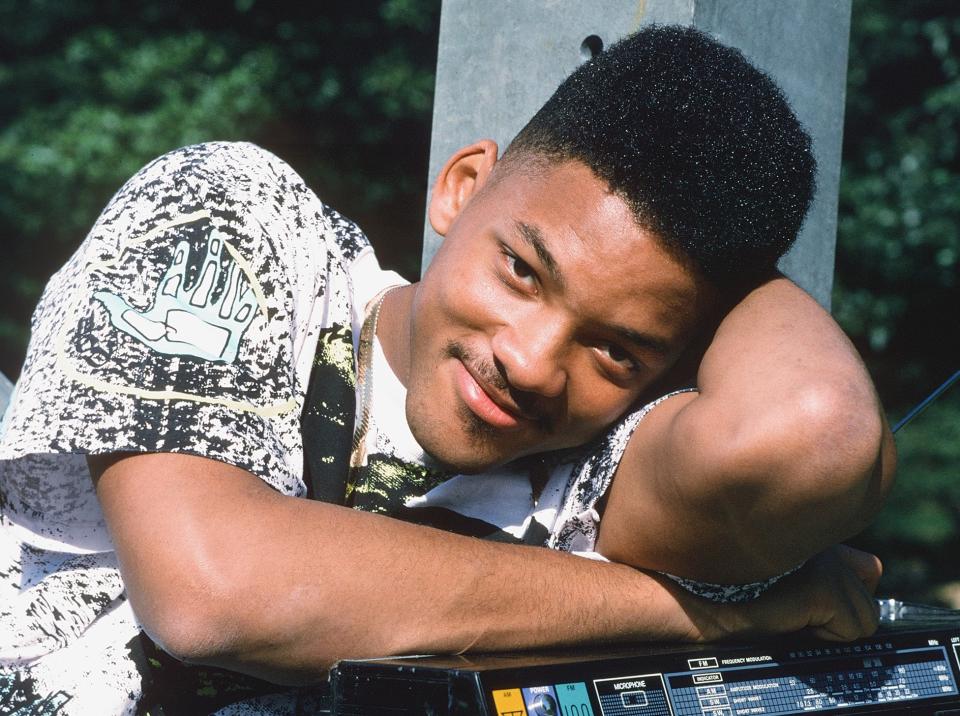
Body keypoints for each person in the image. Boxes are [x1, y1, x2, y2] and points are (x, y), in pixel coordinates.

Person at [0, 25, 893, 715]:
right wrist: (710, 619)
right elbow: (210, 593)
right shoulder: (241, 223)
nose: (531, 362)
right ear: (461, 187)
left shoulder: (601, 469)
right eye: (522, 271)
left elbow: (814, 433)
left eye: (617, 347)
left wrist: (734, 264)